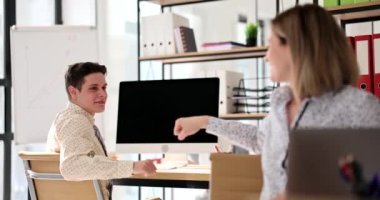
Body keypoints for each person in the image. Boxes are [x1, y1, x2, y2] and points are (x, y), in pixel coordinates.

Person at [173, 4, 380, 200]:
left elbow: (371, 188)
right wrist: (205, 122)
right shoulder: (281, 105)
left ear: (297, 48)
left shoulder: (358, 108)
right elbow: (259, 139)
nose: (266, 57)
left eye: (271, 44)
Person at [47, 62, 156, 200]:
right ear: (73, 92)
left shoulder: (64, 118)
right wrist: (133, 166)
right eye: (94, 88)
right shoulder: (75, 121)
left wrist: (103, 158)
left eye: (104, 88)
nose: (103, 94)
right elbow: (72, 167)